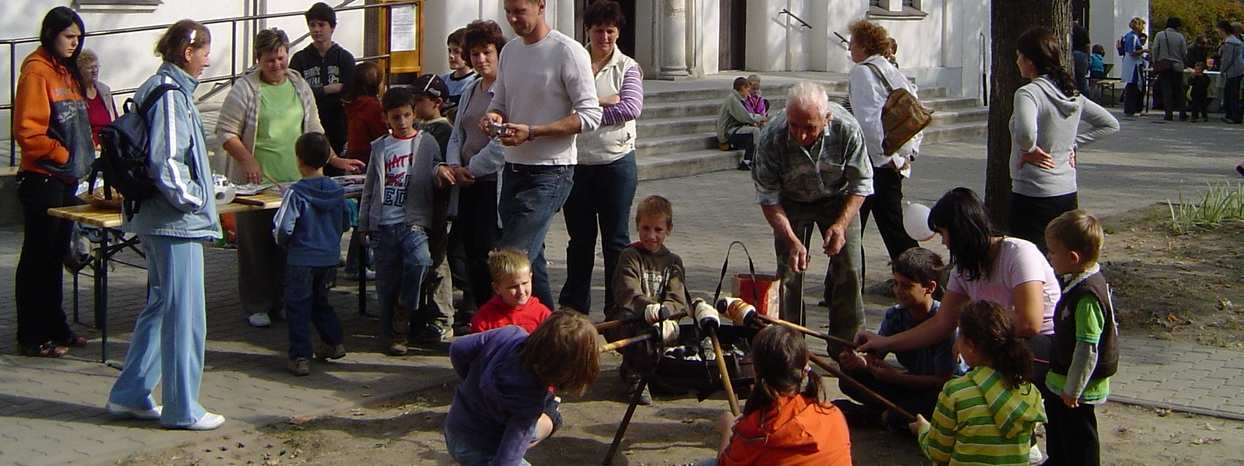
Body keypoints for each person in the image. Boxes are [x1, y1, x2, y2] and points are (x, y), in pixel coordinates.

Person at [106, 19, 225, 430]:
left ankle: (130, 394)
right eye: (204, 50)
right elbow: (167, 162)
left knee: (160, 308)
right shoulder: (172, 94)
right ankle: (182, 408)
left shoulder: (157, 87)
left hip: (157, 219)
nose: (208, 58)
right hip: (175, 222)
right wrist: (197, 199)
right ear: (187, 52)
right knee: (185, 315)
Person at [217, 27, 364, 328]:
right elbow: (226, 133)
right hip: (257, 186)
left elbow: (314, 128)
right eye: (270, 60)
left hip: (296, 184)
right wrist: (248, 159)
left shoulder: (298, 84)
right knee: (256, 247)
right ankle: (257, 303)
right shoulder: (245, 89)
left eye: (281, 58)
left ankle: (286, 301)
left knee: (291, 245)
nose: (277, 65)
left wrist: (334, 159)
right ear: (259, 59)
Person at [483, 0, 603, 309]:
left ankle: (512, 331)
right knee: (530, 261)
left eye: (519, 11)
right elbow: (500, 103)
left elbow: (590, 116)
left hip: (551, 171)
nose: (512, 18)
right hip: (512, 168)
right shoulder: (509, 51)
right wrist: (493, 118)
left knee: (511, 257)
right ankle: (549, 334)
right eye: (508, 11)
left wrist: (534, 131)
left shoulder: (568, 51)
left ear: (541, 5)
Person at [753, 81, 871, 352]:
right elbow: (767, 197)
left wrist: (841, 226)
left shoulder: (847, 129)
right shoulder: (772, 136)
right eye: (795, 125)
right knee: (789, 272)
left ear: (826, 119)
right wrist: (792, 239)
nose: (801, 135)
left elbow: (861, 184)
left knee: (849, 266)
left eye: (810, 128)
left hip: (838, 197)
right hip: (790, 201)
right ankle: (791, 346)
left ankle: (847, 345)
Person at [13, 6, 94, 357]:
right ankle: (32, 335)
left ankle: (55, 325)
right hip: (42, 178)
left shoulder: (66, 71)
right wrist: (62, 155)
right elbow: (28, 131)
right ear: (51, 34)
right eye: (69, 37)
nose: (74, 44)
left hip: (65, 179)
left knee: (55, 256)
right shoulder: (36, 71)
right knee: (38, 258)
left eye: (78, 38)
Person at [560, 0, 644, 316]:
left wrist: (585, 107)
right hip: (577, 163)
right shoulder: (571, 62)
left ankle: (617, 307)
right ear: (587, 30)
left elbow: (630, 108)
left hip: (616, 163)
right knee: (579, 240)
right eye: (598, 31)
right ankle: (574, 307)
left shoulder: (628, 67)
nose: (604, 38)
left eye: (610, 31)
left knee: (616, 241)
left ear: (618, 32)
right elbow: (559, 108)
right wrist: (604, 101)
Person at [358, 86, 455, 355]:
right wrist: (364, 222)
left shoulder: (426, 143)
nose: (402, 122)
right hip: (384, 224)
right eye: (395, 117)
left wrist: (441, 172)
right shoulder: (380, 147)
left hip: (413, 222)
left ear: (414, 115)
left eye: (406, 115)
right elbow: (370, 187)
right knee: (386, 281)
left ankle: (404, 311)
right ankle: (392, 334)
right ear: (386, 118)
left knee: (420, 261)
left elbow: (436, 166)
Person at [1009, 27, 1118, 252]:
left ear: (1030, 61)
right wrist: (1072, 143)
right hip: (1066, 189)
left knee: (1031, 260)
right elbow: (1109, 124)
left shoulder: (1028, 93)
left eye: (1019, 56)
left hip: (1032, 192)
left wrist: (1029, 148)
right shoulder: (1070, 93)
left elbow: (1026, 133)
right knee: (1062, 256)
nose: (1017, 61)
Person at [833, 248, 964, 432]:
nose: (898, 291)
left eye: (906, 286)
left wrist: (897, 378)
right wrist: (859, 362)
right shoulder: (895, 315)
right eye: (895, 284)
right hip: (908, 386)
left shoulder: (945, 323)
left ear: (930, 287)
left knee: (934, 403)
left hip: (939, 392)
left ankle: (882, 416)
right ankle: (893, 414)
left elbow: (943, 381)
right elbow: (875, 357)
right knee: (848, 378)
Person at [444, 311, 599, 465]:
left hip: (455, 428)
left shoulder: (509, 334)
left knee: (547, 412)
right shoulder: (529, 402)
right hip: (482, 448)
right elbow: (507, 459)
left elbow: (458, 348)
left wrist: (471, 379)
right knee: (550, 417)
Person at [908, 301, 1047, 466]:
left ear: (970, 346)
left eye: (959, 334)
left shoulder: (955, 392)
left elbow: (937, 453)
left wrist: (923, 430)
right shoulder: (1029, 391)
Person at [706, 325, 852, 466]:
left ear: (755, 372)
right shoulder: (832, 414)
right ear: (804, 370)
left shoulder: (757, 432)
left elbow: (723, 463)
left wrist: (728, 427)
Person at [1042, 210, 1118, 466]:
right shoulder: (1076, 281)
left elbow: (1087, 347)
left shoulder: (1087, 296)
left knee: (1079, 435)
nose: (1048, 257)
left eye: (1052, 252)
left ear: (1073, 257)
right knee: (1058, 427)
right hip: (1061, 379)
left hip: (1075, 387)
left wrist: (1074, 388)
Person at [447, 19, 508, 334]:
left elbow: (502, 145)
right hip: (466, 184)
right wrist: (455, 165)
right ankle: (481, 317)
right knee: (469, 254)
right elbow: (458, 132)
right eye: (475, 54)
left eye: (487, 52)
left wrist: (472, 168)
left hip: (490, 185)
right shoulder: (472, 87)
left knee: (490, 256)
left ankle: (497, 320)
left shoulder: (507, 90)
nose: (481, 59)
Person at [272, 132, 350, 376]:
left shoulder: (296, 193)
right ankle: (333, 341)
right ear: (327, 158)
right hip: (328, 256)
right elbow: (346, 222)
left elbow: (283, 227)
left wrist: (284, 243)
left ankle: (300, 356)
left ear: (299, 160)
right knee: (320, 302)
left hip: (301, 258)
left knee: (298, 306)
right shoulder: (337, 191)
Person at [847, 19, 920, 264]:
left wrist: (885, 158)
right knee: (883, 224)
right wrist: (907, 155)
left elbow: (868, 121)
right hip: (895, 157)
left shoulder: (862, 73)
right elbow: (916, 112)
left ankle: (922, 275)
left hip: (875, 162)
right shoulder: (890, 70)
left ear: (865, 46)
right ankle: (835, 287)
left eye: (853, 44)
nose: (849, 49)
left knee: (858, 226)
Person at [605, 195, 688, 405]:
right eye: (646, 228)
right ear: (637, 226)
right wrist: (650, 308)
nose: (651, 236)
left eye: (658, 230)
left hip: (662, 319)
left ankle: (657, 371)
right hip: (628, 318)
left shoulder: (673, 261)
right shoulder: (630, 255)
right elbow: (627, 292)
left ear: (668, 229)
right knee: (637, 327)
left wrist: (666, 311)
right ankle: (634, 377)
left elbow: (678, 299)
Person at [411, 72, 456, 342]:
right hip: (414, 204)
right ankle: (417, 311)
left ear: (436, 101)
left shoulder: (442, 131)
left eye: (419, 100)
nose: (415, 105)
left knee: (437, 262)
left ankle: (442, 317)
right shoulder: (417, 126)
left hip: (435, 206)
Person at [289, 2, 355, 157]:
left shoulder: (345, 58)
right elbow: (295, 93)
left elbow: (349, 91)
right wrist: (327, 89)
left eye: (321, 25)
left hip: (338, 125)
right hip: (308, 126)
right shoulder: (300, 59)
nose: (316, 30)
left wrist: (314, 92)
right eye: (312, 25)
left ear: (332, 27)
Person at [341, 61, 387, 279]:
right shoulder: (371, 106)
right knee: (368, 214)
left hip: (354, 157)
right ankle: (358, 263)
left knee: (363, 212)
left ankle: (356, 262)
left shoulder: (352, 104)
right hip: (369, 159)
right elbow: (379, 135)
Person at [470, 248, 552, 334]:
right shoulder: (484, 319)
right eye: (513, 287)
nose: (521, 291)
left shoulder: (542, 314)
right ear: (497, 288)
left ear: (531, 278)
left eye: (525, 283)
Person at [717, 77, 766, 170]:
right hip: (728, 133)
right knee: (754, 131)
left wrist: (758, 120)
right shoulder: (733, 99)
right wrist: (761, 118)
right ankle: (748, 161)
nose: (748, 93)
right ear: (742, 88)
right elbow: (744, 117)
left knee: (759, 129)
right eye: (747, 89)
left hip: (736, 129)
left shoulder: (738, 98)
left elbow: (748, 115)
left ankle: (756, 159)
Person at [1152, 17, 1188, 121]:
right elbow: (1184, 52)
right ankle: (1182, 113)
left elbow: (1155, 49)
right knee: (1179, 90)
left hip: (1164, 66)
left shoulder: (1160, 35)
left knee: (1166, 90)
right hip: (1177, 66)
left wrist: (1155, 62)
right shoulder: (1180, 37)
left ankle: (1168, 113)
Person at [78, 49, 117, 146]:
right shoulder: (75, 94)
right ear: (80, 70)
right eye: (89, 68)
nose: (94, 71)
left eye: (96, 66)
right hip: (89, 147)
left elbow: (115, 118)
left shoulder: (104, 90)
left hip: (110, 142)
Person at [439, 27, 477, 116]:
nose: (451, 56)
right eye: (450, 51)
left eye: (457, 51)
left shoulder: (474, 83)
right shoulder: (441, 80)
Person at [1119, 17, 1148, 116]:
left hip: (1130, 62)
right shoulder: (1133, 37)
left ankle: (1132, 108)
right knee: (1133, 86)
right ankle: (1131, 108)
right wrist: (1144, 50)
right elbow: (1132, 52)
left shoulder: (1128, 36)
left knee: (1133, 86)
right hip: (1133, 64)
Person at [1217, 20, 1244, 124]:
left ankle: (1234, 116)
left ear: (1223, 30)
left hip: (1233, 70)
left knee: (1232, 94)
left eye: (1218, 30)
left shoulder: (1229, 42)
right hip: (1238, 69)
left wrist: (1222, 70)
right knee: (1231, 93)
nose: (1218, 33)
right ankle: (1231, 114)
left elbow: (1227, 59)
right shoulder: (1234, 41)